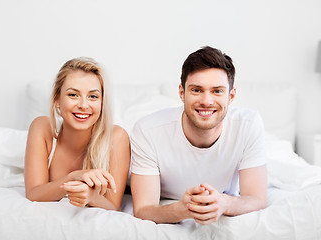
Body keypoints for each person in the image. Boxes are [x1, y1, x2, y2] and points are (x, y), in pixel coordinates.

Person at [130, 46, 267, 224]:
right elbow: (143, 210)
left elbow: (257, 199)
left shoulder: (249, 125)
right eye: (196, 90)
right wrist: (183, 210)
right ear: (182, 93)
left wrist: (224, 203)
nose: (206, 101)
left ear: (231, 96)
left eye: (217, 91)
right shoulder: (147, 131)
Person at [24, 57, 131, 211]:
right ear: (57, 100)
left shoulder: (117, 138)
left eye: (93, 96)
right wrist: (73, 178)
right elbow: (34, 193)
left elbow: (112, 206)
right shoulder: (42, 127)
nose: (83, 105)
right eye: (73, 95)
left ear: (101, 103)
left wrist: (92, 196)